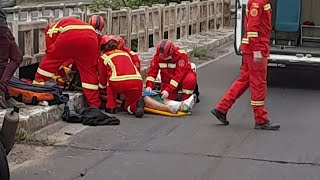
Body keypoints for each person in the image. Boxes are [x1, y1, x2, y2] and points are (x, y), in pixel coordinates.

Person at [211, 0, 280, 130]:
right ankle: (260, 119)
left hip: (253, 47)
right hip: (257, 47)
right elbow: (252, 28)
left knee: (244, 80)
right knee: (258, 84)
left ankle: (221, 108)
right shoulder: (258, 2)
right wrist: (256, 50)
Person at [33, 17, 102, 108]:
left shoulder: (50, 31)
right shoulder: (74, 23)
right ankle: (95, 105)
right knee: (89, 71)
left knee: (45, 67)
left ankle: (38, 92)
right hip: (90, 36)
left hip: (70, 35)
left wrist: (63, 77)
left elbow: (53, 60)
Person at [98, 35, 145, 118]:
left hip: (119, 82)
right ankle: (135, 106)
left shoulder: (104, 57)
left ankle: (111, 107)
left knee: (110, 81)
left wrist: (101, 87)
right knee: (129, 106)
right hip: (137, 81)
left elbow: (103, 77)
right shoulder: (125, 53)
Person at [145, 39, 197, 108]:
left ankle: (186, 100)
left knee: (189, 80)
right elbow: (152, 72)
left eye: (165, 57)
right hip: (167, 80)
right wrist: (149, 85)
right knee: (165, 99)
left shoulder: (181, 55)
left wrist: (168, 90)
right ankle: (178, 104)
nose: (163, 59)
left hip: (182, 78)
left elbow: (178, 76)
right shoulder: (158, 56)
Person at [0, 6, 25, 108]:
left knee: (15, 57)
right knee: (6, 61)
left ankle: (4, 92)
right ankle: (4, 92)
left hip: (2, 27)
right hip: (1, 27)